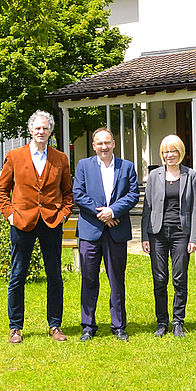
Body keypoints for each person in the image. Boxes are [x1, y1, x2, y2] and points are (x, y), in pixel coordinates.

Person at [0, 110, 74, 344]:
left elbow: (68, 193)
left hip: (51, 222)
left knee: (55, 276)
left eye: (45, 128)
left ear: (50, 131)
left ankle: (55, 325)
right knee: (18, 275)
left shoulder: (60, 158)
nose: (41, 132)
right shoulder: (15, 156)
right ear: (30, 130)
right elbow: (1, 191)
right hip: (22, 223)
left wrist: (63, 215)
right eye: (37, 128)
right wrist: (10, 215)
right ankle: (15, 327)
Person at [73, 128, 140, 341]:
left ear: (113, 144)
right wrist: (102, 213)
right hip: (90, 231)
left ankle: (119, 326)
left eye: (107, 142)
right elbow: (78, 194)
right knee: (89, 279)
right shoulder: (84, 165)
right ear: (94, 146)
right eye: (99, 143)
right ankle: (88, 326)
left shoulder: (127, 166)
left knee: (117, 280)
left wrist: (113, 211)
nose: (104, 146)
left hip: (116, 232)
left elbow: (133, 194)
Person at [141, 135, 196, 338]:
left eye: (173, 151)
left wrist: (194, 237)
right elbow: (147, 208)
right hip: (156, 233)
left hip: (181, 233)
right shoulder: (154, 175)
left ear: (180, 152)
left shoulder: (190, 175)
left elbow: (194, 209)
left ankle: (178, 321)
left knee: (179, 277)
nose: (169, 155)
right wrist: (144, 237)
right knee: (159, 278)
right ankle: (162, 322)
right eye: (165, 152)